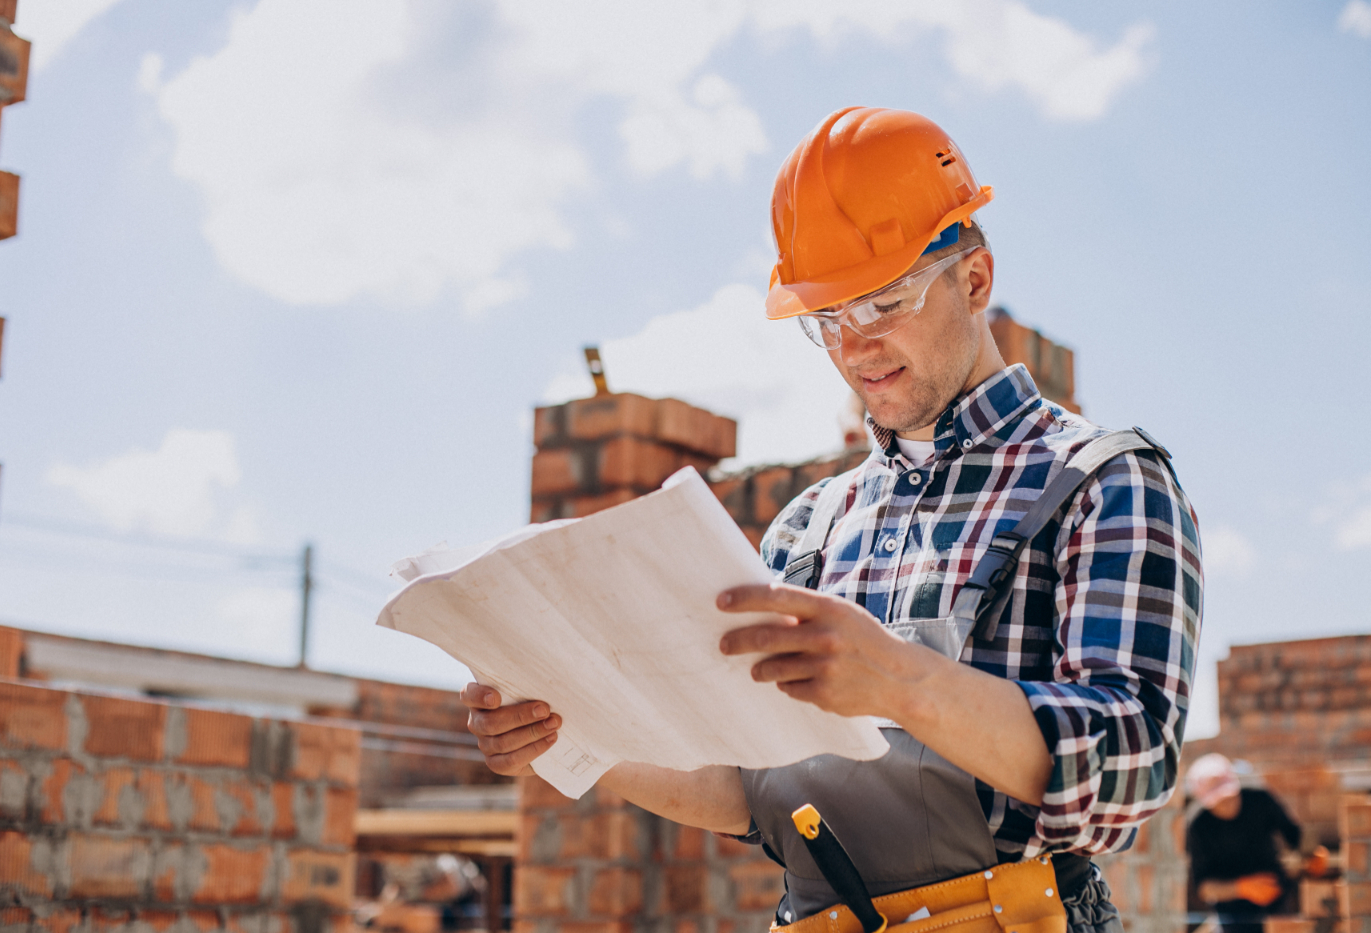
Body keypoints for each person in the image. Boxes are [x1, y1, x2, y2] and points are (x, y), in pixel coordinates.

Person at [461, 107, 1203, 933]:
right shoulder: (814, 524)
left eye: (884, 302)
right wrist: (572, 734)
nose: (856, 348)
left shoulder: (1102, 479)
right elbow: (751, 787)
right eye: (830, 319)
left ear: (975, 279)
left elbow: (1129, 763)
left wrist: (898, 679)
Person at [1187, 754, 1302, 933]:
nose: (1227, 804)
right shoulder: (1198, 825)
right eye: (1219, 801)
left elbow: (1296, 836)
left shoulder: (1260, 800)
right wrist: (1243, 888)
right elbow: (1204, 888)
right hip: (1233, 915)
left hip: (1277, 899)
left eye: (1230, 797)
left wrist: (1307, 857)